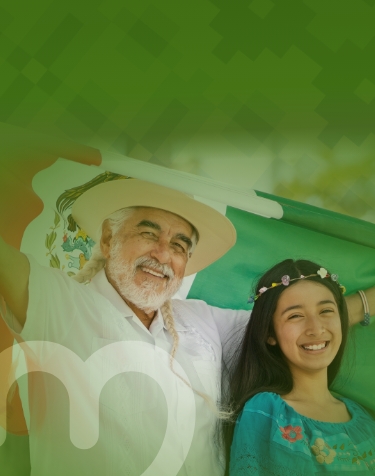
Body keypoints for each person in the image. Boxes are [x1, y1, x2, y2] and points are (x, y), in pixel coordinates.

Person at [0, 179, 374, 476]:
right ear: (108, 239)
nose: (163, 253)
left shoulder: (202, 319)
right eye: (149, 234)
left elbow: (299, 322)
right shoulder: (58, 301)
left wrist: (367, 302)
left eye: (179, 244)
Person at [226, 259, 375, 475]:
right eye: (295, 315)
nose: (316, 329)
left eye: (326, 311)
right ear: (270, 334)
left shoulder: (363, 418)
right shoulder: (268, 411)